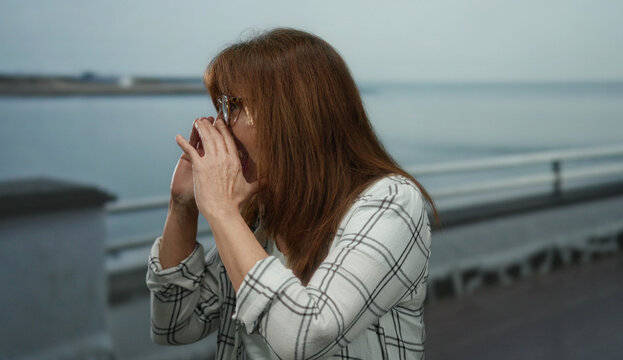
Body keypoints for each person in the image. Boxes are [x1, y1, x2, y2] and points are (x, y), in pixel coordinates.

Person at [146, 27, 437, 360]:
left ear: (291, 115)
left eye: (235, 106)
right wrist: (182, 207)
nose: (222, 126)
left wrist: (223, 210)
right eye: (225, 107)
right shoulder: (263, 212)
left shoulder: (390, 203)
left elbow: (306, 337)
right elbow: (173, 328)